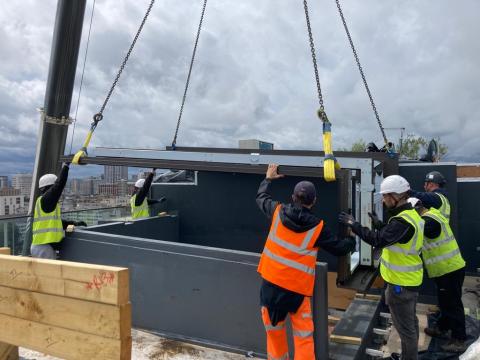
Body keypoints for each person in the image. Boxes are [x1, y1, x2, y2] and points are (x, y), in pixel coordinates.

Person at [256, 164, 356, 360]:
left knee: (274, 332)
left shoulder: (277, 212)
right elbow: (340, 247)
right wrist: (352, 236)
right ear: (314, 201)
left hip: (271, 287)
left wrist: (267, 179)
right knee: (303, 337)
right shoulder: (318, 228)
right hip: (297, 291)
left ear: (293, 197)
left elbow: (261, 198)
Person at [339, 175, 424, 360]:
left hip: (400, 285)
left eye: (386, 196)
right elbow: (394, 236)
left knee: (406, 329)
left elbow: (378, 239)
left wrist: (354, 225)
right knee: (410, 323)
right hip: (408, 282)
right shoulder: (408, 217)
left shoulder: (402, 221)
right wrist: (380, 225)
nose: (384, 200)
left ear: (397, 196)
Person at [407, 197, 467, 353]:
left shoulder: (428, 222)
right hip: (447, 269)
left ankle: (459, 339)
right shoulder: (433, 215)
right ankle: (442, 328)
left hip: (448, 270)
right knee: (445, 302)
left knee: (452, 304)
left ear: (415, 210)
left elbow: (411, 233)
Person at [31, 163, 87, 259]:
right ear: (49, 188)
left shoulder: (47, 204)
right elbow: (59, 186)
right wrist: (66, 166)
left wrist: (74, 224)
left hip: (44, 246)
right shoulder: (46, 200)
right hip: (44, 247)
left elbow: (57, 223)